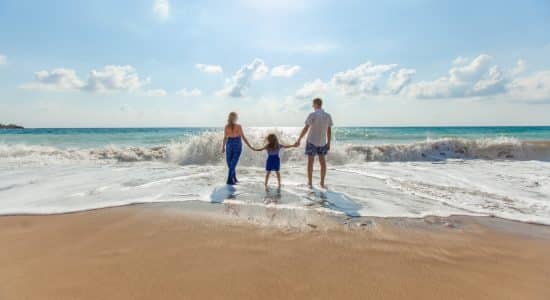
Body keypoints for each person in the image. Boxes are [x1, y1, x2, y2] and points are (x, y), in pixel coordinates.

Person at [296, 98, 333, 188]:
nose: (312, 106)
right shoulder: (328, 115)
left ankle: (310, 183)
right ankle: (322, 183)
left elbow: (306, 128)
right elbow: (329, 130)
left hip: (311, 141)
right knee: (322, 163)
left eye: (313, 105)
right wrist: (329, 143)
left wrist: (299, 139)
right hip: (323, 142)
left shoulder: (312, 115)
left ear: (316, 104)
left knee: (310, 163)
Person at [221, 112, 254, 185]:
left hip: (233, 144)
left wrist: (250, 146)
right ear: (235, 118)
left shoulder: (236, 126)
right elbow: (225, 138)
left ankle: (230, 179)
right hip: (231, 143)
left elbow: (243, 137)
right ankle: (233, 178)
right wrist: (223, 147)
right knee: (231, 163)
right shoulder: (228, 126)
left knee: (232, 163)